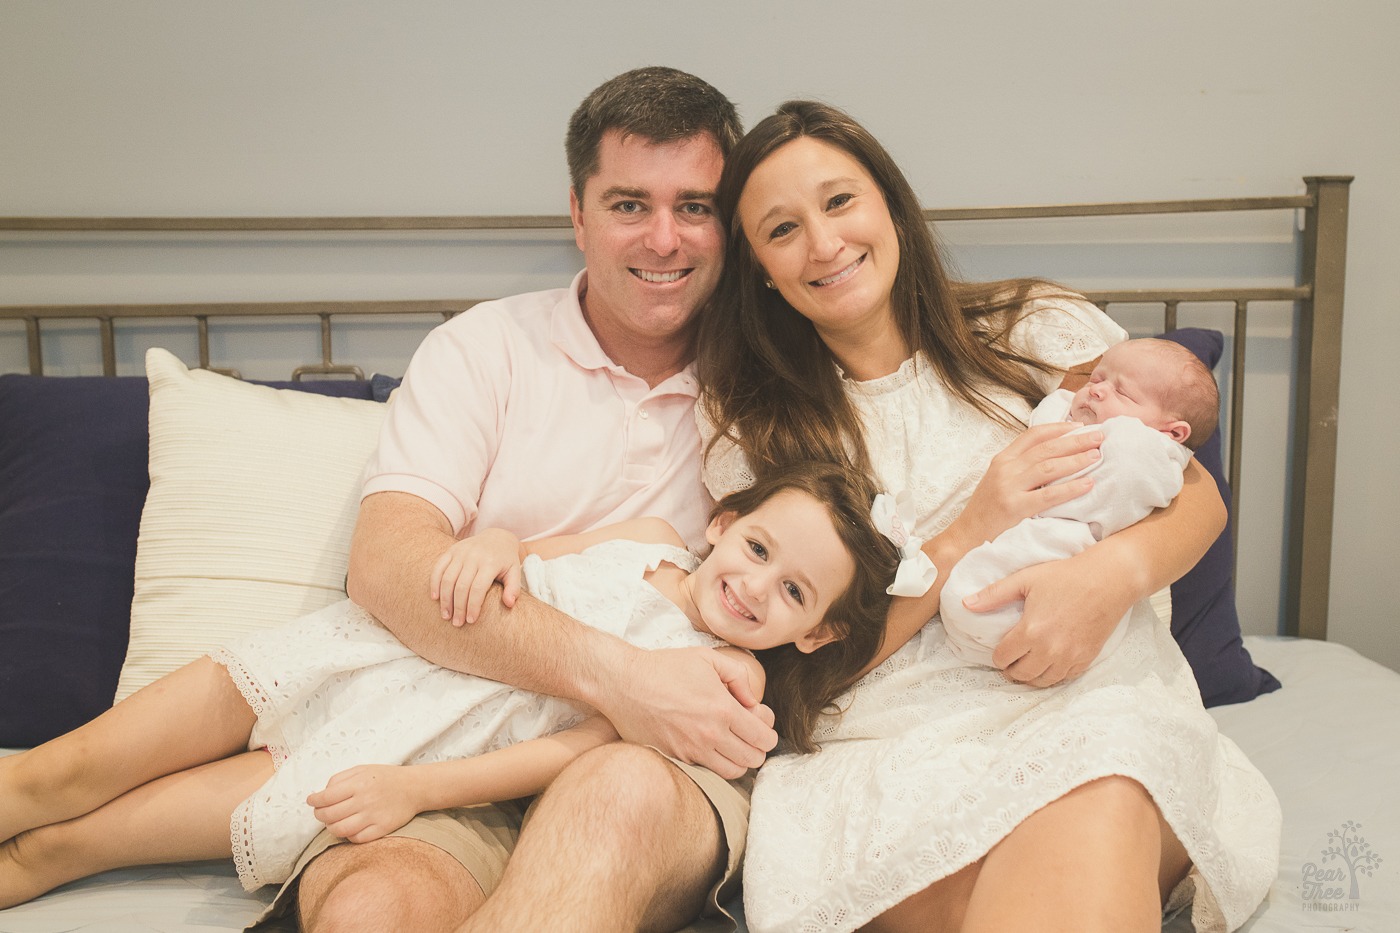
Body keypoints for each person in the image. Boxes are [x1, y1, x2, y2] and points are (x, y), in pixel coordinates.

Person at [695, 100, 1280, 933]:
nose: (824, 244)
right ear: (757, 264)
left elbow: (1194, 493)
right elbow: (797, 663)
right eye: (781, 229)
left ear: (890, 205)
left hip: (1092, 699)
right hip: (886, 739)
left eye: (839, 202)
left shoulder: (1035, 329)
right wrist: (971, 527)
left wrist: (1110, 576)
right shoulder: (755, 423)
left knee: (1101, 790)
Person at [295, 67, 775, 933]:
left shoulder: (778, 379)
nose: (664, 239)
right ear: (577, 213)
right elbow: (389, 564)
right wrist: (620, 676)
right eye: (630, 204)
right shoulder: (485, 348)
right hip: (456, 735)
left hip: (659, 760)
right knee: (371, 909)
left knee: (613, 795)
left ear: (728, 222)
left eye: (695, 207)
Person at [0, 460, 901, 911]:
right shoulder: (648, 532)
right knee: (53, 773)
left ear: (814, 630)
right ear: (725, 521)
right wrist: (491, 545)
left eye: (792, 591)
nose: (753, 585)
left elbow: (565, 753)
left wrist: (413, 789)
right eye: (757, 548)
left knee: (73, 845)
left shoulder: (725, 681)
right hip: (345, 655)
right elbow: (527, 549)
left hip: (396, 744)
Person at [941, 337, 1220, 668]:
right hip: (1032, 531)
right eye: (1097, 379)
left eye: (1124, 393)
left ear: (1172, 433)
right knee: (983, 585)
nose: (1097, 391)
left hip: (1078, 543)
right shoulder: (1078, 415)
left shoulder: (1151, 453)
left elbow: (1120, 485)